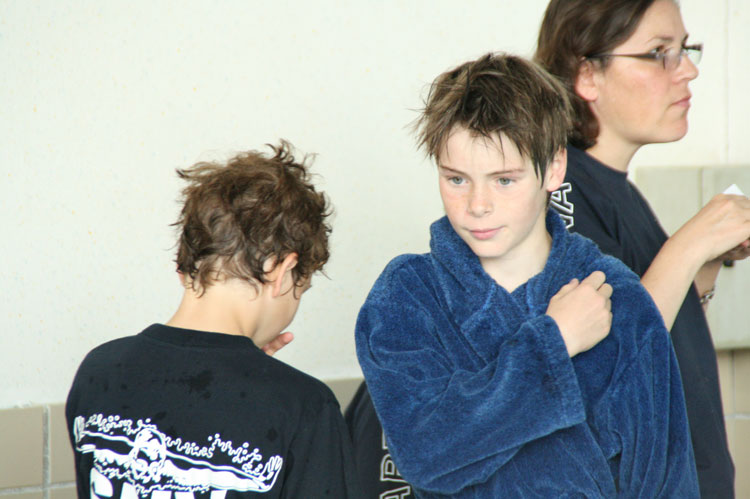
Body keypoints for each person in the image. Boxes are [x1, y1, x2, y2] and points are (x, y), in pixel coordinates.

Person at [355, 53, 698, 497]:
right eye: (456, 179)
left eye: (504, 180)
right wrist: (553, 343)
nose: (478, 205)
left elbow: (666, 477)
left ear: (554, 168)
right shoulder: (408, 295)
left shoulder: (615, 296)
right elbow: (425, 454)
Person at [535, 1, 750, 496]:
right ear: (587, 75)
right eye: (659, 53)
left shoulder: (619, 190)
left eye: (685, 49)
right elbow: (604, 363)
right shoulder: (558, 192)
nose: (688, 70)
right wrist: (690, 243)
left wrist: (703, 265)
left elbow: (662, 337)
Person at [65, 141, 362, 498]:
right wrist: (259, 382)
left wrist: (245, 371)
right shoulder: (304, 406)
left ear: (184, 265)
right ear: (282, 272)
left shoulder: (99, 370)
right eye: (303, 287)